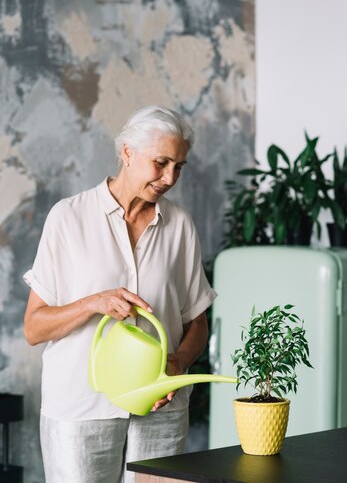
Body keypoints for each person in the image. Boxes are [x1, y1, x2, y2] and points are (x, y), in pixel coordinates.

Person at [23, 105, 216, 483]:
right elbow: (33, 328)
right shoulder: (68, 218)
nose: (169, 177)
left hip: (160, 409)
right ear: (127, 152)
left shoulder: (179, 225)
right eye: (161, 162)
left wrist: (177, 363)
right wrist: (93, 303)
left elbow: (198, 324)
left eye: (179, 166)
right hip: (81, 409)